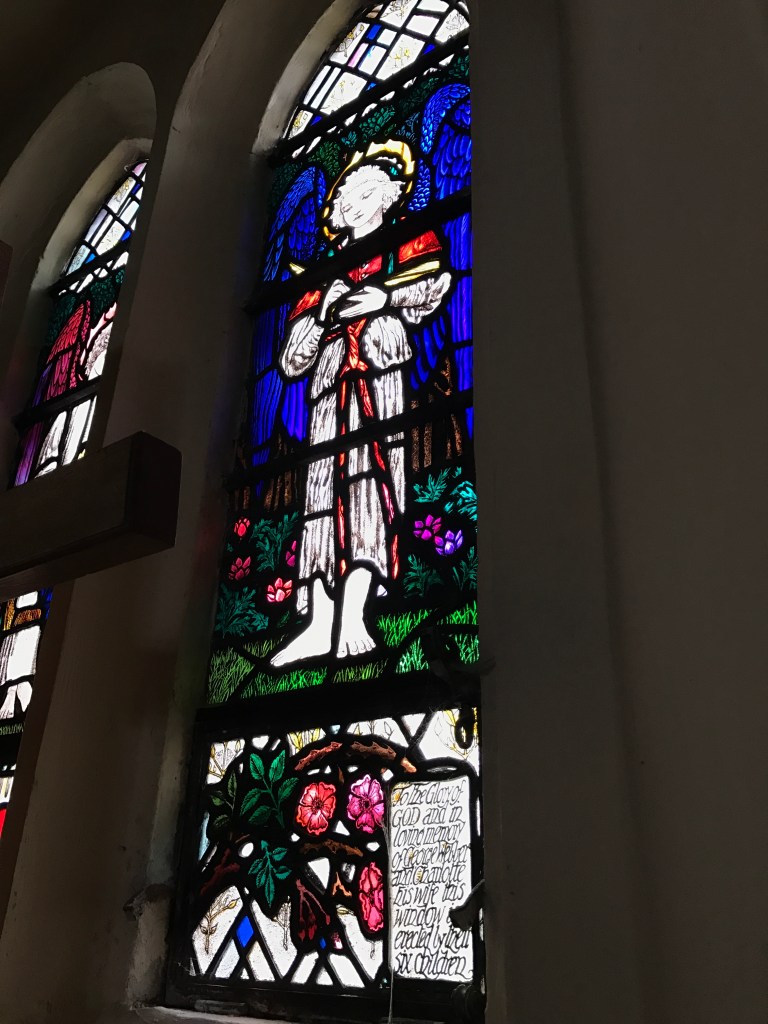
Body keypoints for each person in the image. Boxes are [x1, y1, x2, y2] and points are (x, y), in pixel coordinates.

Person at [271, 140, 451, 666]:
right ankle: (317, 622)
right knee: (320, 498)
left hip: (378, 368)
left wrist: (385, 297)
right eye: (345, 196)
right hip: (330, 384)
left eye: (362, 191)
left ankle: (355, 617)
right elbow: (291, 361)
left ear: (388, 197)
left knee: (370, 486)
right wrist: (322, 314)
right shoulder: (321, 276)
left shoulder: (407, 243)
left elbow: (435, 286)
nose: (349, 202)